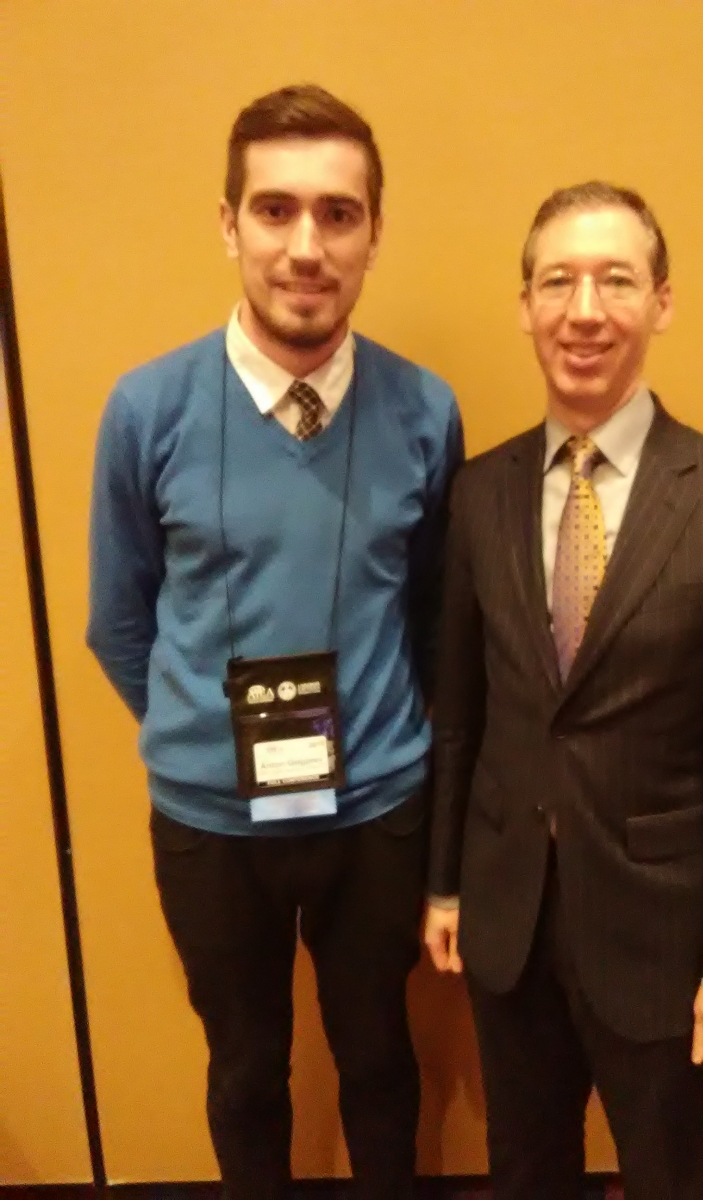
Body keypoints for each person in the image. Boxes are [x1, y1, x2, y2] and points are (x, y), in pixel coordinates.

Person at [88, 84, 463, 1200]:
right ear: (229, 223)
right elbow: (120, 619)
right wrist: (201, 733)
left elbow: (434, 609)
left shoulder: (425, 410)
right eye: (275, 209)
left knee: (379, 1057)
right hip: (212, 823)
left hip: (379, 809)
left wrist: (393, 739)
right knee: (246, 1069)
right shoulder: (145, 410)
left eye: (338, 214)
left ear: (373, 234)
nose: (307, 246)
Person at [424, 181, 703, 1200]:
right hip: (510, 922)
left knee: (670, 1181)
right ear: (525, 306)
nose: (585, 310)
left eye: (616, 280)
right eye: (558, 281)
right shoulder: (479, 492)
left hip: (664, 943)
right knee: (525, 1173)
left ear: (662, 302)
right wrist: (446, 883)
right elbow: (461, 714)